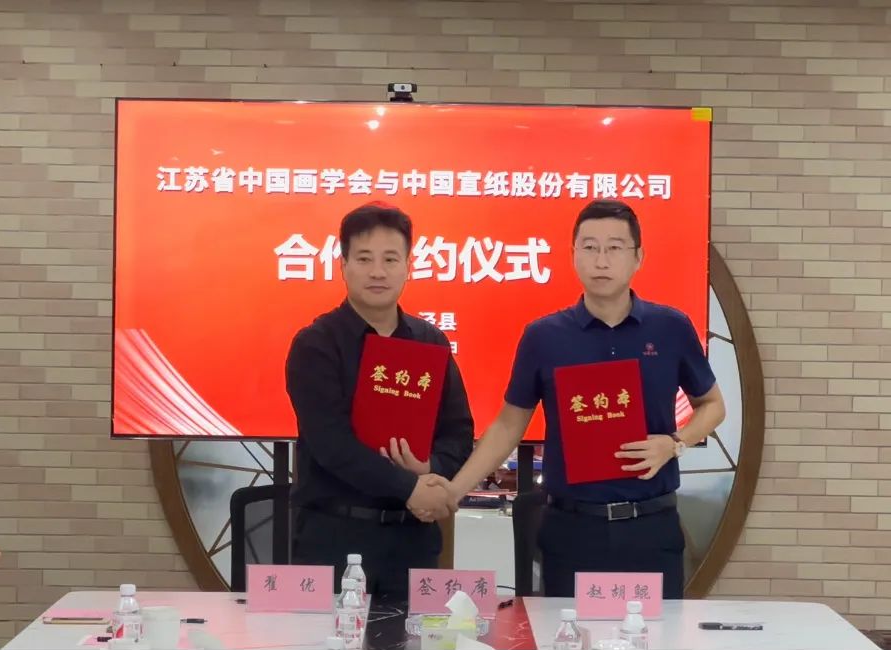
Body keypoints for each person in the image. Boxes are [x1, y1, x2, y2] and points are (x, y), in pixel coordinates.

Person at [444, 199, 725, 599]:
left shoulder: (671, 328)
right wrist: (453, 491)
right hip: (572, 530)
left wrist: (675, 443)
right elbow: (508, 425)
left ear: (638, 257)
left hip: (650, 527)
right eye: (590, 247)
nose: (601, 260)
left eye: (615, 247)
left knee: (655, 631)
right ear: (573, 255)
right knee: (569, 631)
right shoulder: (544, 336)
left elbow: (713, 405)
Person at [285, 201, 473, 600]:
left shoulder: (430, 342)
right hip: (335, 539)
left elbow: (458, 432)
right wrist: (410, 487)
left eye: (390, 259)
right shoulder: (316, 344)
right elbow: (331, 444)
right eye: (364, 258)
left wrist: (431, 469)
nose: (377, 271)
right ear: (343, 265)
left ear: (408, 266)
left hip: (413, 540)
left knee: (414, 634)